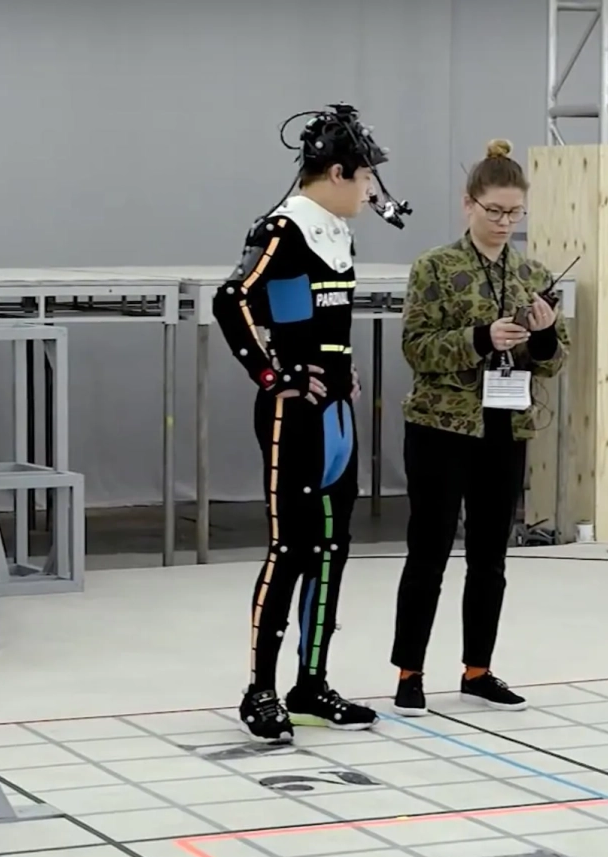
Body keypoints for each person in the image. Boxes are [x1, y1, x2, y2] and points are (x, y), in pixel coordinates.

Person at [211, 103, 412, 743]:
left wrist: (329, 367)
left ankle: (311, 682)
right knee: (290, 548)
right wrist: (275, 376)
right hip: (291, 417)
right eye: (365, 178)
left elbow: (299, 311)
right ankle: (260, 688)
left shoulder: (334, 232)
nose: (371, 190)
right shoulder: (283, 228)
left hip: (336, 415)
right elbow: (233, 298)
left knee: (331, 549)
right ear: (336, 172)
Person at [389, 139, 569, 717]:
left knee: (491, 555)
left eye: (515, 213)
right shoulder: (436, 268)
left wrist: (540, 334)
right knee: (429, 552)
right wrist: (478, 338)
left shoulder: (534, 272)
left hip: (505, 428)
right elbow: (415, 347)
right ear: (468, 205)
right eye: (494, 211)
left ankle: (478, 669)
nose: (504, 223)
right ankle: (409, 671)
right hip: (441, 427)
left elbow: (555, 357)